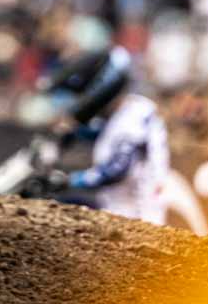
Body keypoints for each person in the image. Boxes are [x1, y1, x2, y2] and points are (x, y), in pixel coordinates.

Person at [40, 47, 171, 226]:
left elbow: (117, 169)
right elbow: (106, 135)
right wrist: (71, 133)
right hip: (117, 209)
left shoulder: (135, 116)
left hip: (136, 217)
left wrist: (70, 180)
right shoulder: (123, 115)